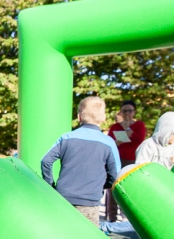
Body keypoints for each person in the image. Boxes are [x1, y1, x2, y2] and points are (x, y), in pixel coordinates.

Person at [41, 96, 120, 227]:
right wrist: (101, 185)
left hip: (63, 198)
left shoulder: (66, 137)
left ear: (79, 117)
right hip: (90, 202)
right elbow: (115, 175)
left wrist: (50, 184)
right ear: (103, 118)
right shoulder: (109, 143)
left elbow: (46, 161)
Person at [106, 100, 146, 222]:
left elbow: (141, 141)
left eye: (130, 110)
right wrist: (116, 142)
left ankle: (127, 216)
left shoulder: (139, 125)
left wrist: (129, 131)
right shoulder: (115, 127)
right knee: (113, 187)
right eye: (124, 111)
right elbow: (109, 142)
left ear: (134, 112)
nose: (127, 113)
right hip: (117, 159)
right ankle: (111, 217)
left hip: (133, 160)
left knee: (129, 188)